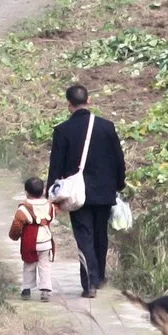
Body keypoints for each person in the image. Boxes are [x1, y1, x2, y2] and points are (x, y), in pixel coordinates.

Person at [46, 83, 125, 298]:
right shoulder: (106, 127)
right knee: (101, 236)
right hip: (105, 192)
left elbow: (56, 165)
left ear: (68, 104)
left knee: (85, 237)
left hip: (77, 195)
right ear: (88, 101)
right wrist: (119, 184)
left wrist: (51, 194)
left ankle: (89, 283)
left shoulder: (63, 130)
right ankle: (99, 277)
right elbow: (119, 159)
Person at [9, 176, 57, 300]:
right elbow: (51, 218)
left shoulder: (23, 209)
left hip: (30, 242)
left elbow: (17, 225)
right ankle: (45, 290)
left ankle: (26, 289)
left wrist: (14, 236)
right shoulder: (50, 206)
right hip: (46, 240)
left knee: (29, 264)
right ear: (43, 191)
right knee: (44, 265)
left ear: (26, 192)